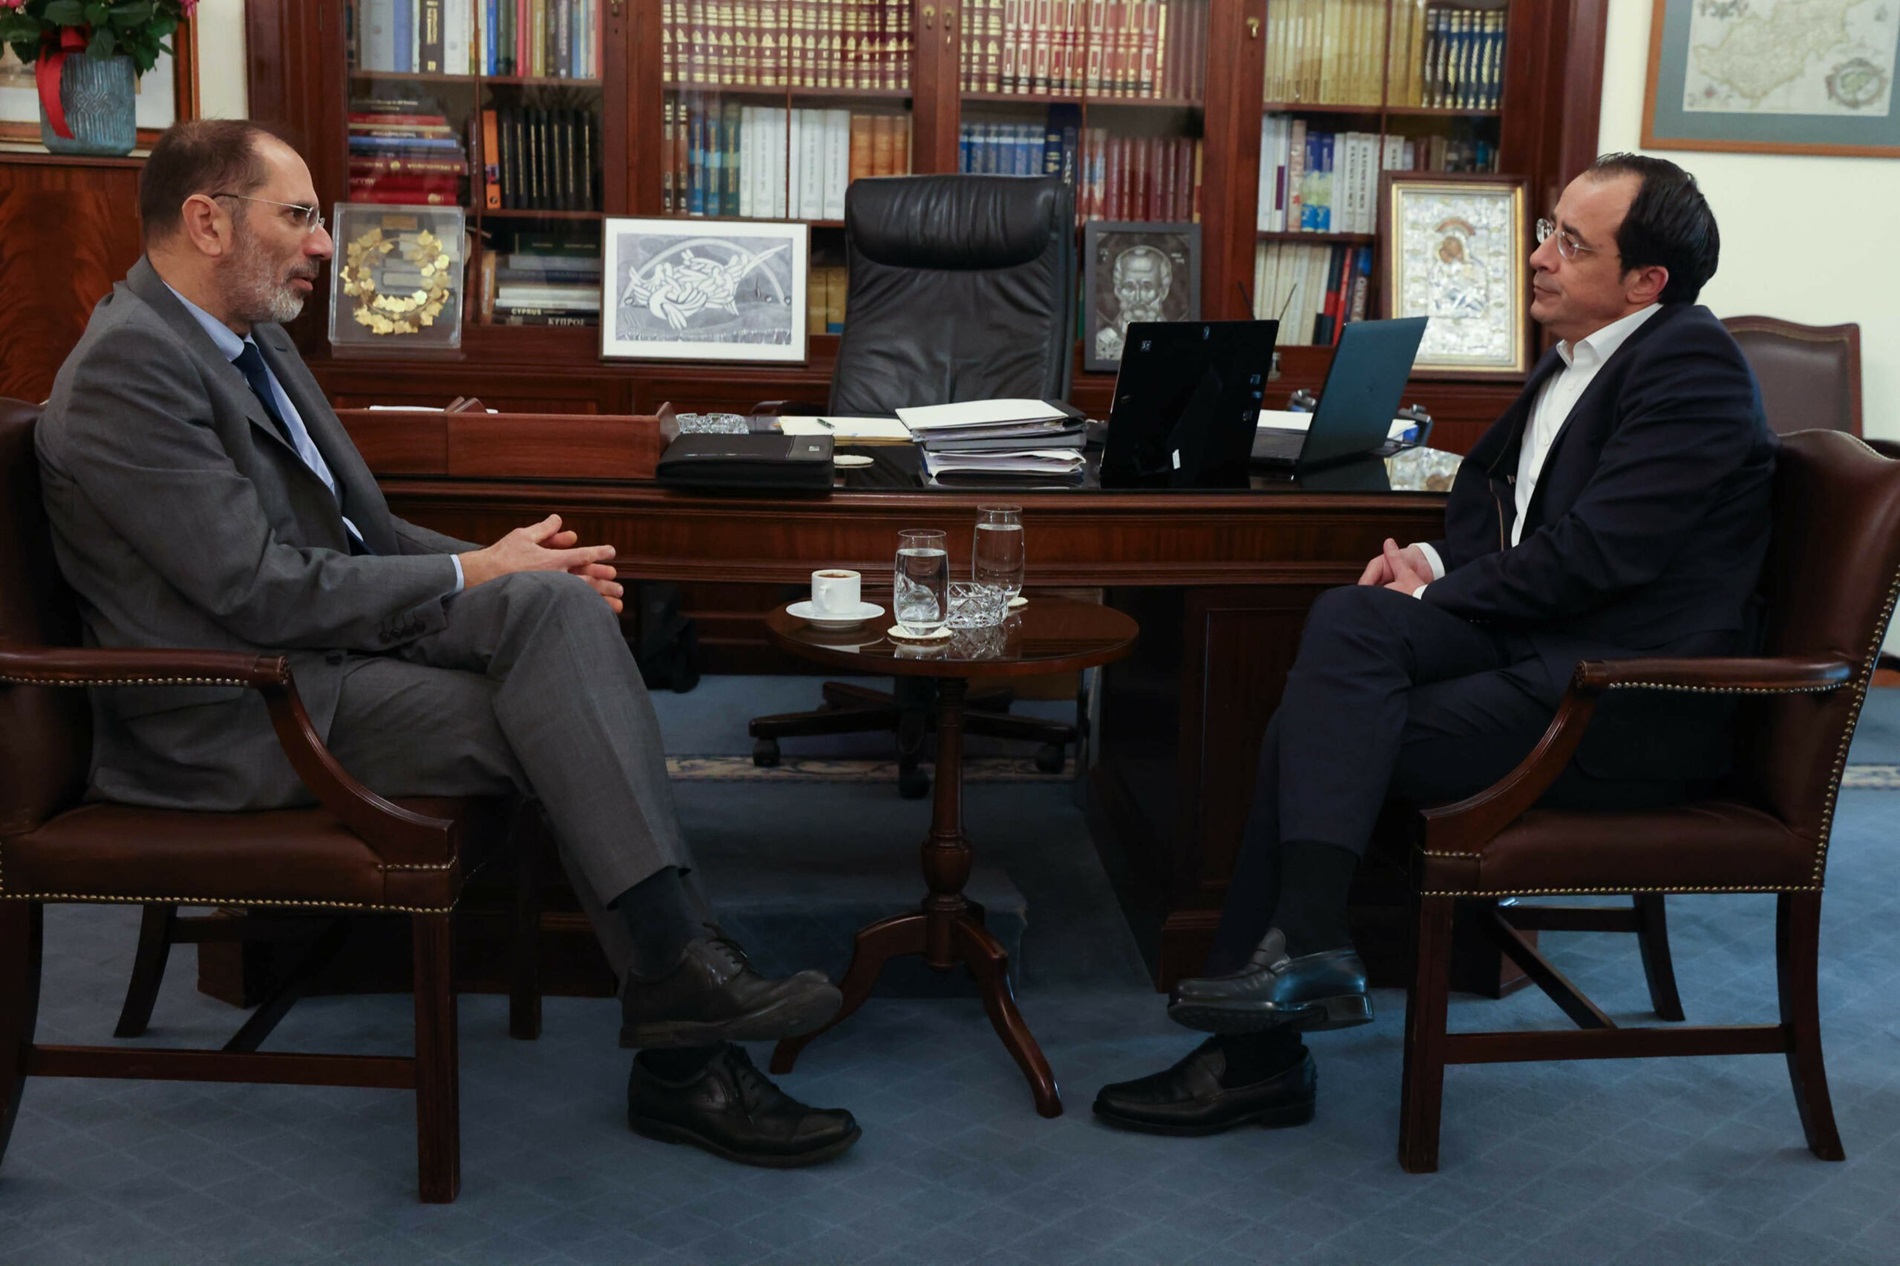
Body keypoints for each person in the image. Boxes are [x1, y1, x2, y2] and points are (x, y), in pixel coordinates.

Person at [36, 119, 859, 1169]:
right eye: (300, 216)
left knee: (561, 616)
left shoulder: (250, 339)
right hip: (233, 709)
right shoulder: (130, 369)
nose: (325, 242)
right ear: (207, 222)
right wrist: (480, 574)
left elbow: (360, 533)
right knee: (565, 723)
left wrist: (512, 567)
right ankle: (684, 1037)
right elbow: (256, 588)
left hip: (316, 665)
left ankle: (678, 980)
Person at [1094, 153, 1775, 1134]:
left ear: (1645, 282)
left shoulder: (1690, 367)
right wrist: (1431, 560)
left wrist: (1445, 590)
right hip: (1549, 655)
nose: (1537, 256)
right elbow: (1521, 522)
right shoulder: (1588, 355)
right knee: (1350, 621)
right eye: (1546, 230)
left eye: (1569, 243)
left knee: (1311, 732)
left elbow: (1598, 554)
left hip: (1621, 700)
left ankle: (1269, 1036)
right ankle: (1303, 957)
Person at [1094, 244, 1173, 362]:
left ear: (1163, 292)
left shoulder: (1175, 341)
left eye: (1147, 287)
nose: (1138, 297)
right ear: (1118, 291)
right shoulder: (1103, 342)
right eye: (1129, 287)